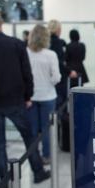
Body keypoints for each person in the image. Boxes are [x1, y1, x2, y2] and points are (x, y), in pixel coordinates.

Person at [0, 9, 50, 186]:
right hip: (16, 101)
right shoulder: (17, 45)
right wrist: (28, 96)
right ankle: (38, 171)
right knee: (29, 137)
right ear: (1, 23)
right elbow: (27, 73)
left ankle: (5, 180)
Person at [26, 25, 61, 165]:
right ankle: (47, 156)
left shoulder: (25, 53)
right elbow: (57, 77)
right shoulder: (51, 54)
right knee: (47, 129)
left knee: (33, 130)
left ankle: (35, 156)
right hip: (48, 96)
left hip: (31, 97)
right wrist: (49, 82)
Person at [48, 20, 68, 107]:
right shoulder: (58, 42)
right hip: (58, 76)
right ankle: (58, 119)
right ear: (57, 29)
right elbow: (59, 61)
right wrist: (69, 71)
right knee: (60, 100)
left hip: (48, 75)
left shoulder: (46, 42)